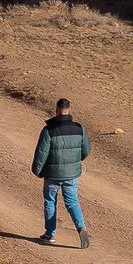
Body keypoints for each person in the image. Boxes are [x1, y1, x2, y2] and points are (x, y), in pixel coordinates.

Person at [30, 99, 91, 247]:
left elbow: (41, 153)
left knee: (50, 202)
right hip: (72, 174)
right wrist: (75, 161)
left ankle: (50, 234)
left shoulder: (48, 130)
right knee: (72, 201)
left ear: (56, 111)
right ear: (70, 110)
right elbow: (86, 150)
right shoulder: (79, 129)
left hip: (52, 174)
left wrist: (37, 171)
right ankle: (81, 227)